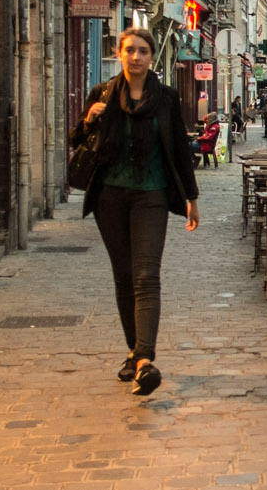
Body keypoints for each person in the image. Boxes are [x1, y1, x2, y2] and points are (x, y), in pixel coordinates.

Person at [71, 27, 201, 397]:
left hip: (152, 195)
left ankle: (145, 359)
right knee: (123, 277)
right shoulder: (103, 94)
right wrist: (89, 120)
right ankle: (133, 351)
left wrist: (191, 197)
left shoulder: (166, 98)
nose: (136, 57)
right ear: (119, 53)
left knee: (146, 275)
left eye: (143, 51)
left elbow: (178, 150)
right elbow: (75, 141)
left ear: (152, 56)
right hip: (109, 197)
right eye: (130, 50)